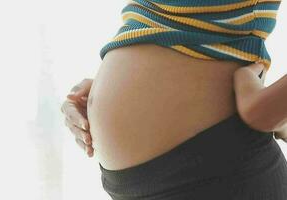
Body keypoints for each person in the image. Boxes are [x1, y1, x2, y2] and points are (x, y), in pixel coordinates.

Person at [61, 0, 287, 199]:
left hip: (219, 171)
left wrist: (262, 109)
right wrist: (106, 89)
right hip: (137, 182)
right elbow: (165, 24)